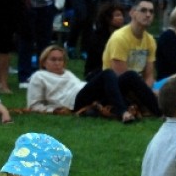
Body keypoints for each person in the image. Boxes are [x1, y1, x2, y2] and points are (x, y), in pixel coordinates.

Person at [27, 44, 156, 123]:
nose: (57, 63)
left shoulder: (67, 73)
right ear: (43, 62)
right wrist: (54, 110)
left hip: (87, 92)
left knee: (130, 75)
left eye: (60, 60)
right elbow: (33, 105)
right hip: (74, 101)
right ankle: (123, 112)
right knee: (107, 73)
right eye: (53, 60)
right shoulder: (39, 76)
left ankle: (159, 112)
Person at [101, 0, 159, 96]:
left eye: (151, 11)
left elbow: (149, 76)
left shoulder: (150, 40)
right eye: (143, 10)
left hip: (141, 87)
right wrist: (148, 94)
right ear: (132, 13)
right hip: (118, 90)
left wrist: (147, 92)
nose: (148, 15)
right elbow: (121, 78)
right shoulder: (120, 38)